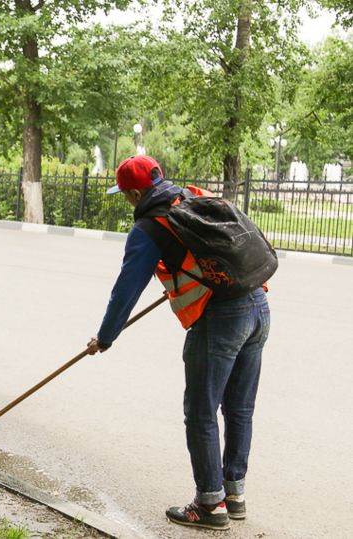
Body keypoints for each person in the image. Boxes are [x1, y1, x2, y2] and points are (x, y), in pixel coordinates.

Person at [87, 155, 271, 531]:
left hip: (220, 319)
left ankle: (210, 505)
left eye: (125, 194)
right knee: (239, 409)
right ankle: (233, 494)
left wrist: (105, 337)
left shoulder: (149, 227)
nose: (127, 200)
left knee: (201, 412)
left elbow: (126, 290)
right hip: (258, 305)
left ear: (135, 193)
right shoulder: (192, 196)